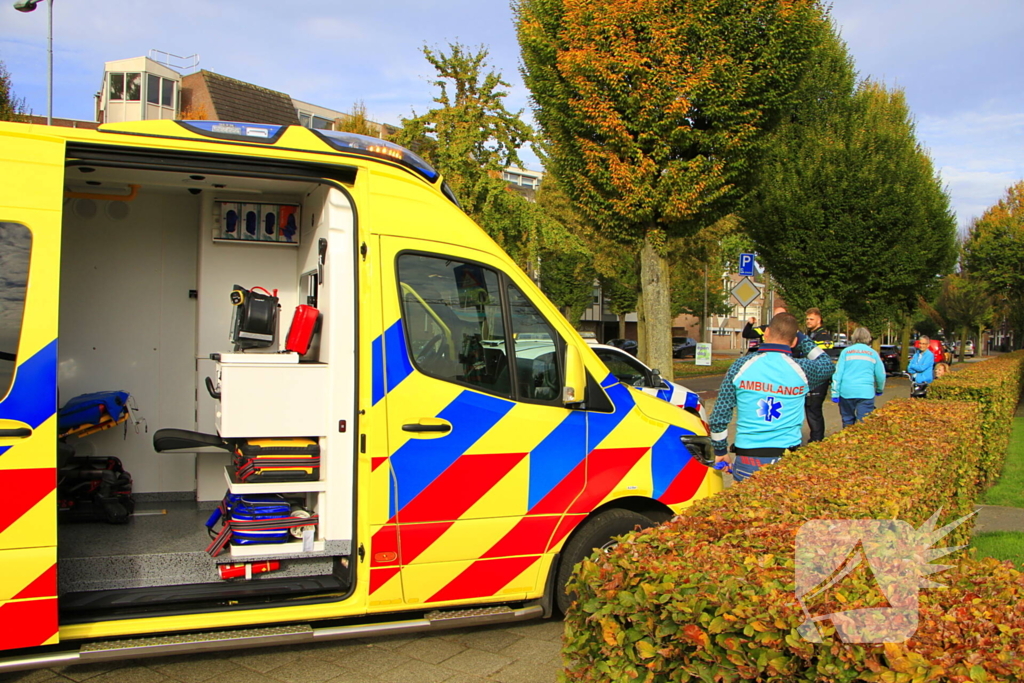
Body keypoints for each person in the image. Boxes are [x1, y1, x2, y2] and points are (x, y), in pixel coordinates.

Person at [710, 312, 835, 482]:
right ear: (794, 342)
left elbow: (720, 414)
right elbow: (826, 364)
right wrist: (801, 337)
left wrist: (720, 450)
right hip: (787, 457)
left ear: (766, 333)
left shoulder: (740, 366)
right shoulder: (803, 370)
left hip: (748, 457)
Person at [830, 327, 885, 427]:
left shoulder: (846, 352)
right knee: (864, 422)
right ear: (868, 338)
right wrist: (879, 389)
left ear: (853, 337)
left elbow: (838, 374)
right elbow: (880, 374)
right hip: (866, 392)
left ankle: (847, 435)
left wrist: (835, 393)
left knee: (847, 420)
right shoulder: (873, 354)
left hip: (846, 391)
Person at [803, 308, 833, 442]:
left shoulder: (823, 336)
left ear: (819, 320)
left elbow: (822, 358)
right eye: (807, 319)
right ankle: (815, 437)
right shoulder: (810, 334)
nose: (808, 321)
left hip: (819, 378)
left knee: (814, 408)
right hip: (810, 377)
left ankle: (817, 439)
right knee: (810, 408)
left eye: (811, 319)